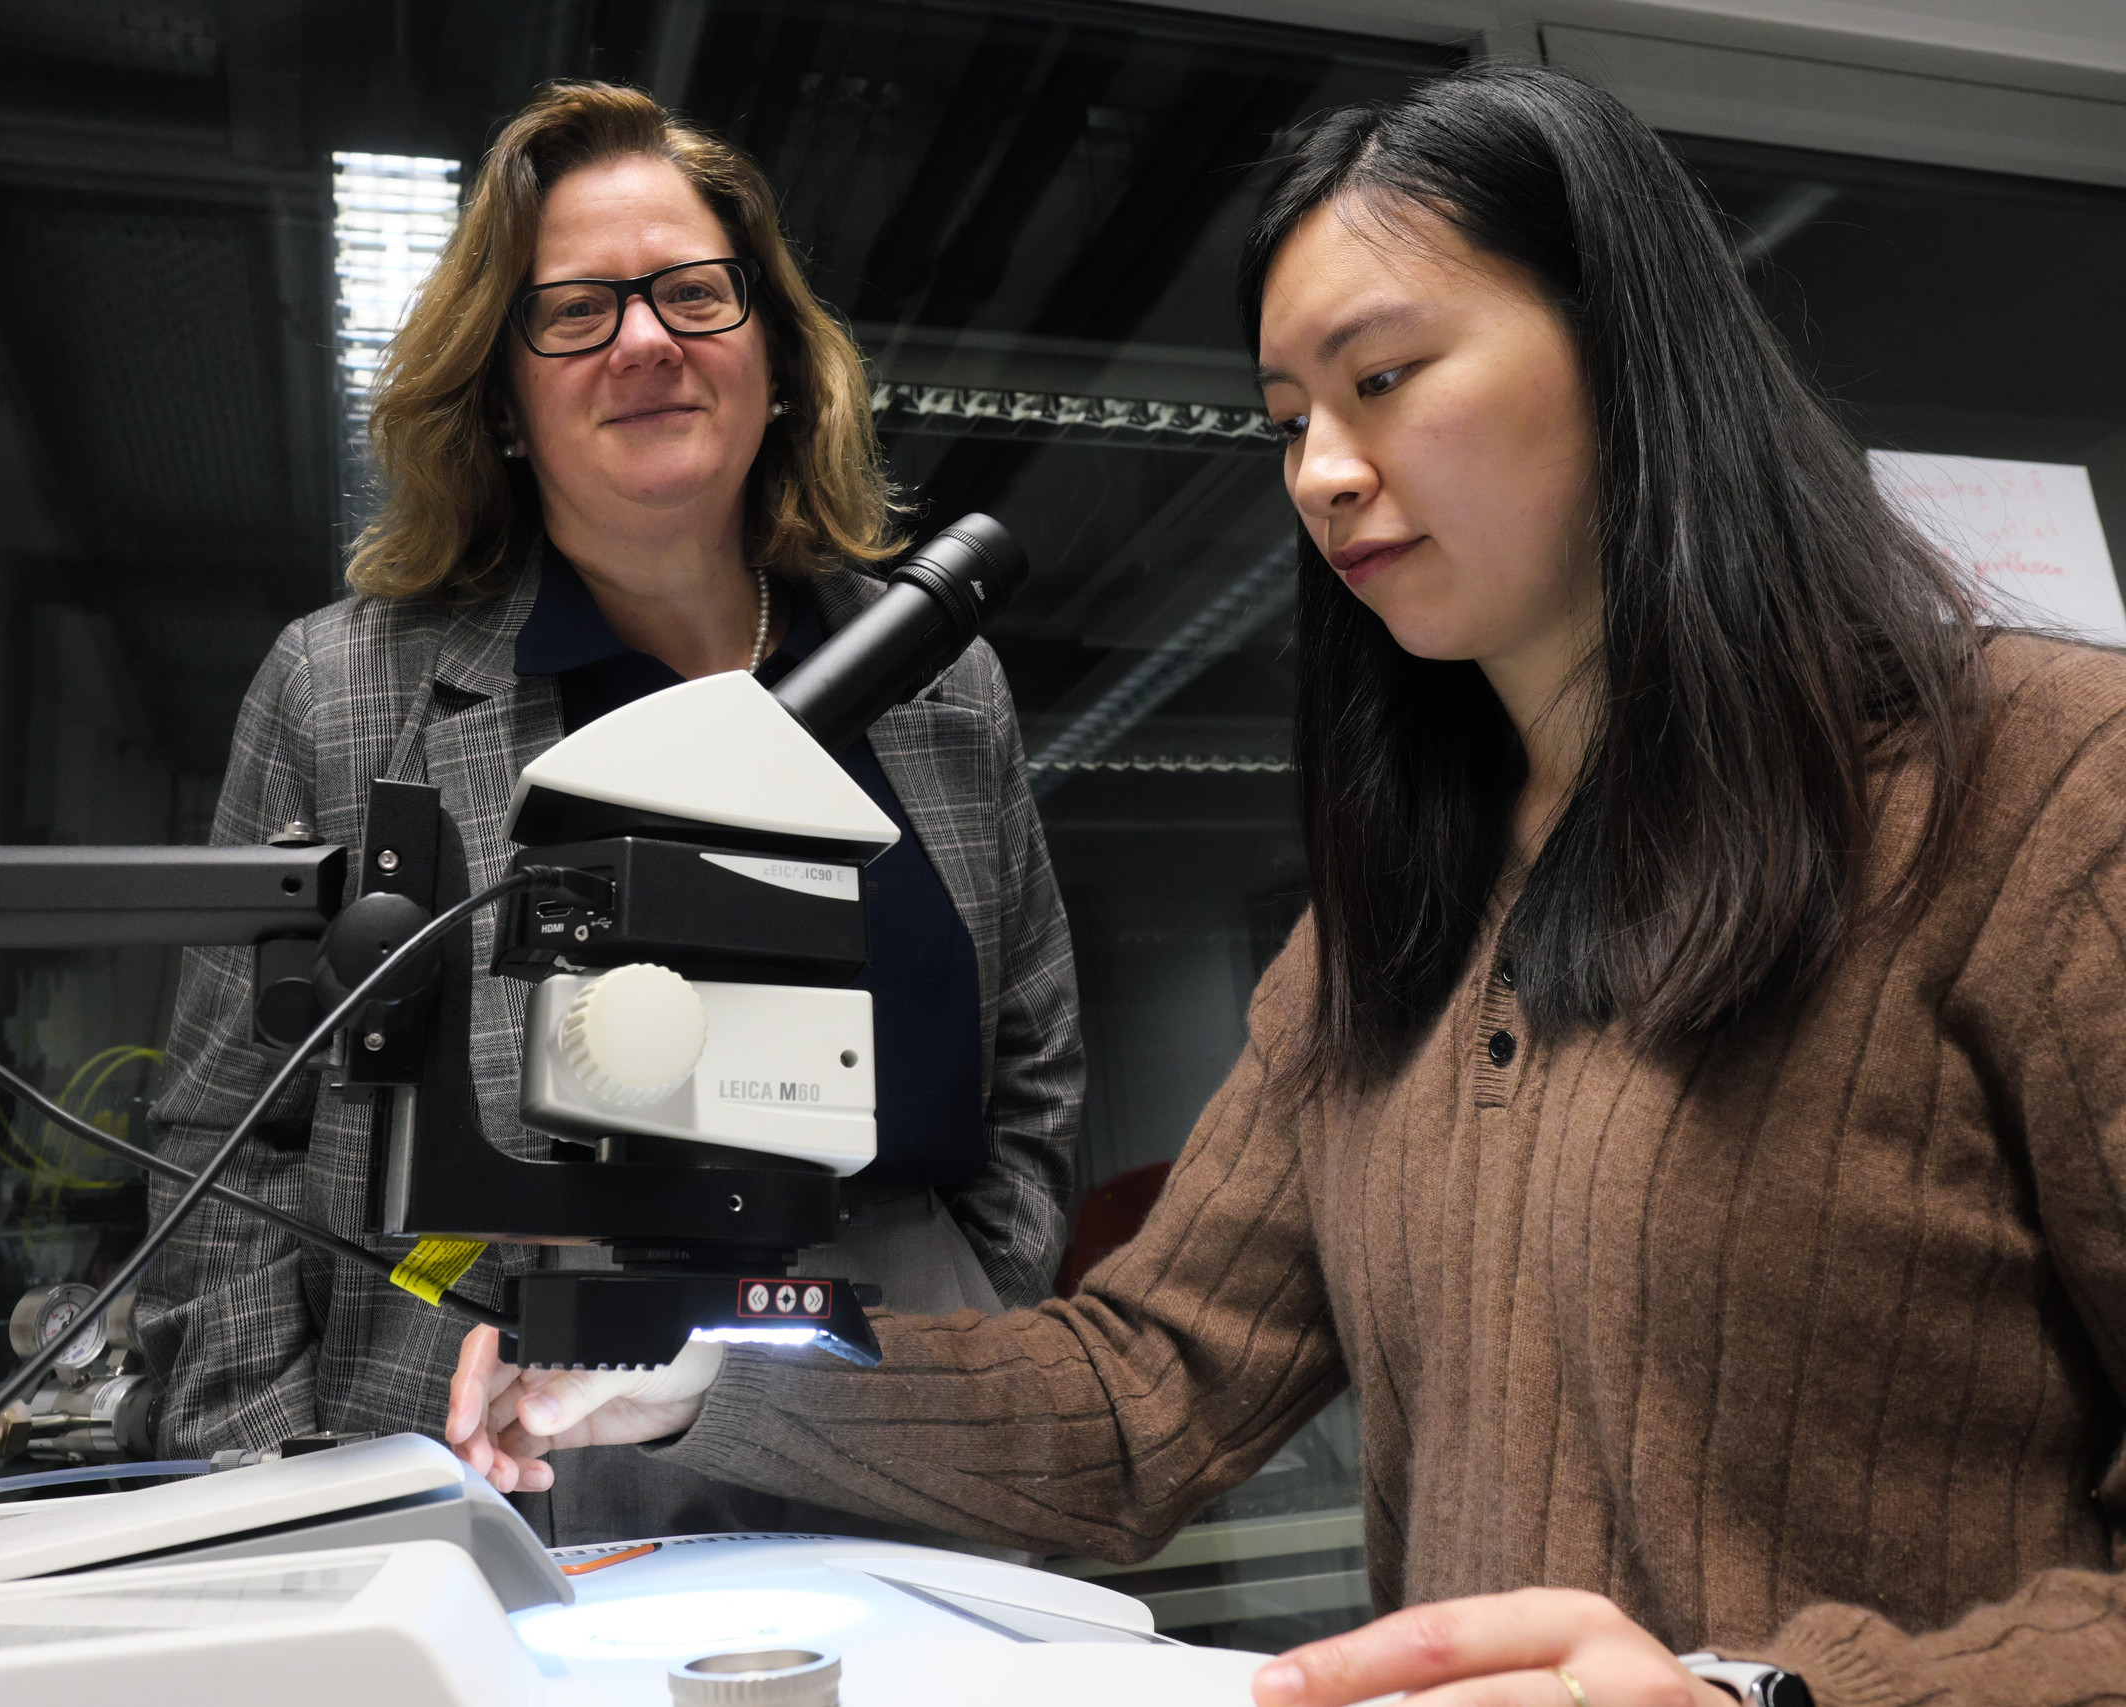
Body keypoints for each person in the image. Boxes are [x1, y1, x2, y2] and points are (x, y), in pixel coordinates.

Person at [446, 65, 2126, 1706]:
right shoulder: (1385, 933)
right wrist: (705, 1380)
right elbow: (1148, 1388)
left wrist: (1767, 1696)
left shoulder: (2047, 794)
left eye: (1382, 377)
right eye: (1288, 423)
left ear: (1626, 348)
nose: (1321, 470)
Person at [135, 82, 1081, 1548]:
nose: (646, 341)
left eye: (694, 294)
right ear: (504, 405)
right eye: (575, 312)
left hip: (892, 1384)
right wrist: (277, 1507)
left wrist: (973, 1336)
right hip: (504, 1420)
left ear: (774, 354)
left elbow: (1032, 1080)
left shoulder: (943, 690)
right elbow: (223, 1140)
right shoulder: (342, 692)